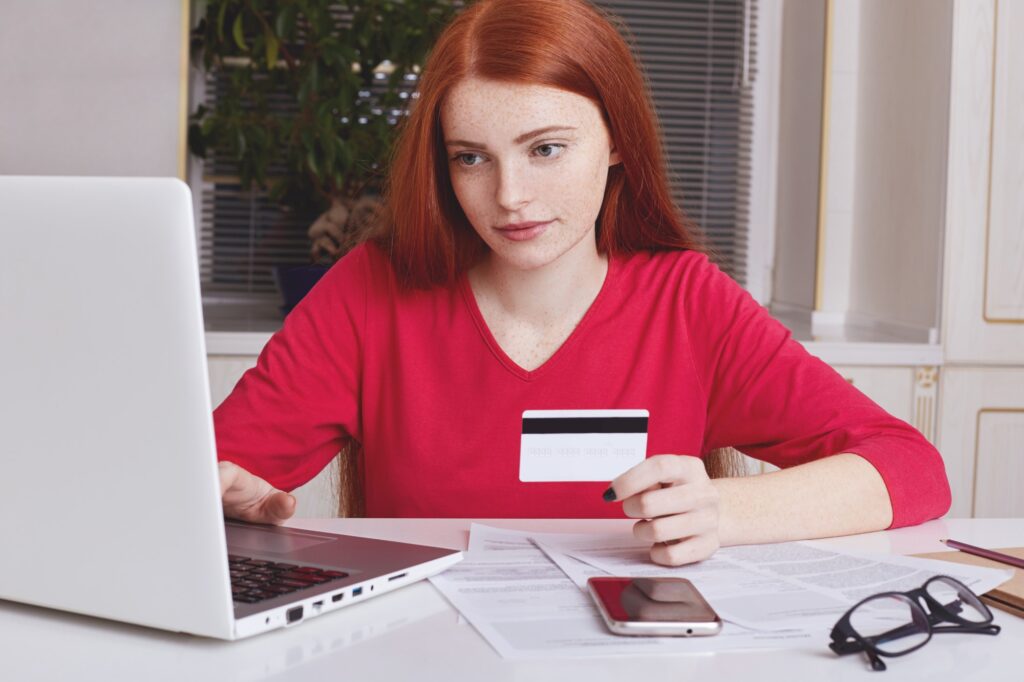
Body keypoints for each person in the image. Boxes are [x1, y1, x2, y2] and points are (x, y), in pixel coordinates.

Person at [215, 0, 951, 567]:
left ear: (617, 139)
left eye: (546, 149)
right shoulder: (370, 293)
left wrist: (724, 512)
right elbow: (203, 471)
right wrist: (218, 493)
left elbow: (912, 469)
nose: (509, 196)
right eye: (471, 158)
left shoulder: (686, 301)